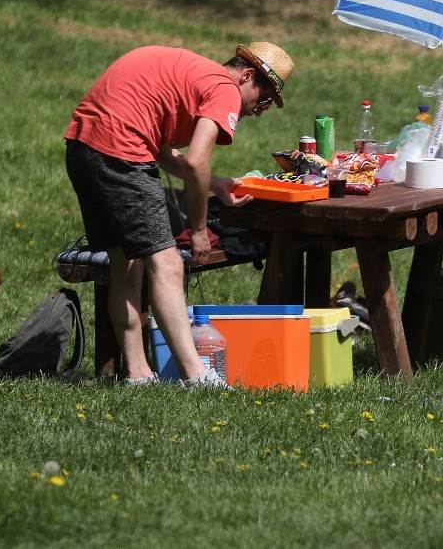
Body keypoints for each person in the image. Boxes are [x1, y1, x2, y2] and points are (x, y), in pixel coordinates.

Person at [64, 42, 294, 387]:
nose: (259, 111)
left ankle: (139, 374)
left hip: (83, 147)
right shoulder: (225, 89)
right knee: (167, 264)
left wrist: (216, 185)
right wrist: (199, 229)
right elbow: (196, 160)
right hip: (120, 151)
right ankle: (197, 376)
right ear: (247, 76)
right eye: (262, 100)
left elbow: (166, 154)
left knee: (127, 262)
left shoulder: (197, 75)